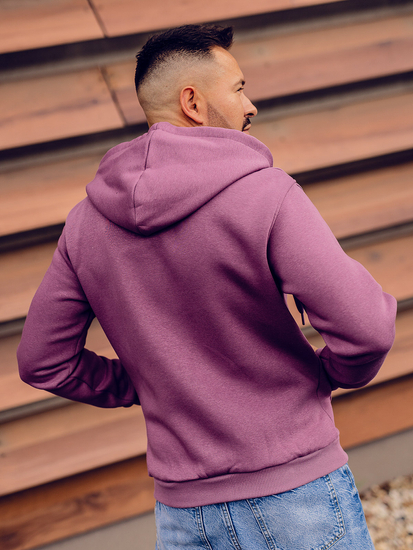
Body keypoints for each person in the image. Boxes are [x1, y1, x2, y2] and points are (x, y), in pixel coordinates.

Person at [18, 24, 396, 549]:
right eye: (238, 88)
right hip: (296, 494)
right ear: (192, 102)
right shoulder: (266, 194)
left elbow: (42, 361)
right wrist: (322, 376)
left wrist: (146, 384)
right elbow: (367, 329)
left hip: (183, 514)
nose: (250, 105)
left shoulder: (85, 225)